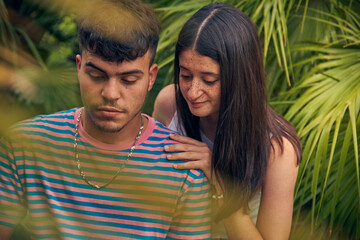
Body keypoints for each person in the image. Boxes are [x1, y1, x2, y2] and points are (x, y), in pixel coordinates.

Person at [0, 1, 211, 239]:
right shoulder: (23, 145)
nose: (111, 93)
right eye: (97, 75)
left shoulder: (182, 170)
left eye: (128, 80)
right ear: (79, 67)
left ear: (151, 78)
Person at [153, 3, 302, 239]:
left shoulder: (278, 149)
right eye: (185, 75)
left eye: (209, 80)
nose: (192, 92)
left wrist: (219, 181)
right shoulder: (169, 105)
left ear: (240, 78)